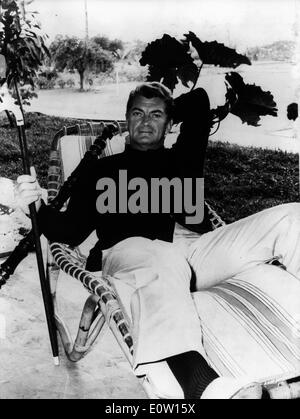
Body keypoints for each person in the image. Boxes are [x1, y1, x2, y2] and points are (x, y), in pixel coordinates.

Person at [16, 82, 300, 399]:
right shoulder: (100, 170)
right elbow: (68, 231)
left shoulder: (180, 160)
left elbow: (200, 101)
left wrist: (167, 107)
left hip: (187, 256)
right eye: (137, 113)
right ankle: (202, 386)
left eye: (156, 115)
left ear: (169, 123)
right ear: (127, 119)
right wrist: (36, 204)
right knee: (159, 254)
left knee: (291, 217)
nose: (146, 121)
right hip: (126, 255)